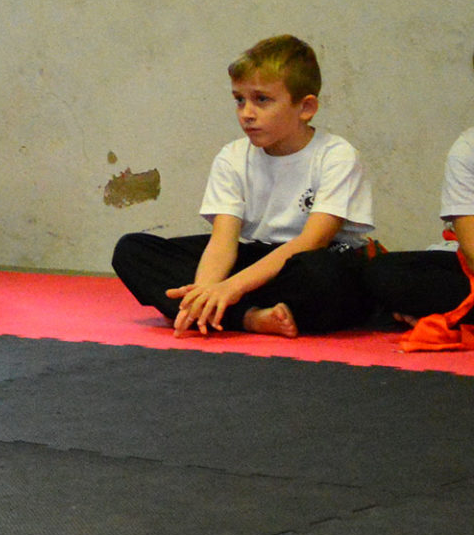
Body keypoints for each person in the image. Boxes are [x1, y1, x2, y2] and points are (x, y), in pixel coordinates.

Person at [112, 34, 377, 337]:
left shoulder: (336, 156)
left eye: (262, 100)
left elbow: (312, 241)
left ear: (305, 107)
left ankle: (233, 308)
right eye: (239, 100)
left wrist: (231, 287)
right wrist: (207, 291)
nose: (247, 113)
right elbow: (224, 241)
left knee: (324, 276)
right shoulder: (233, 157)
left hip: (311, 262)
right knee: (133, 250)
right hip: (255, 260)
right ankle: (249, 317)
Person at [364, 71, 474, 329]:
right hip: (468, 270)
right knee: (383, 273)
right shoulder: (468, 148)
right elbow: (471, 249)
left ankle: (445, 316)